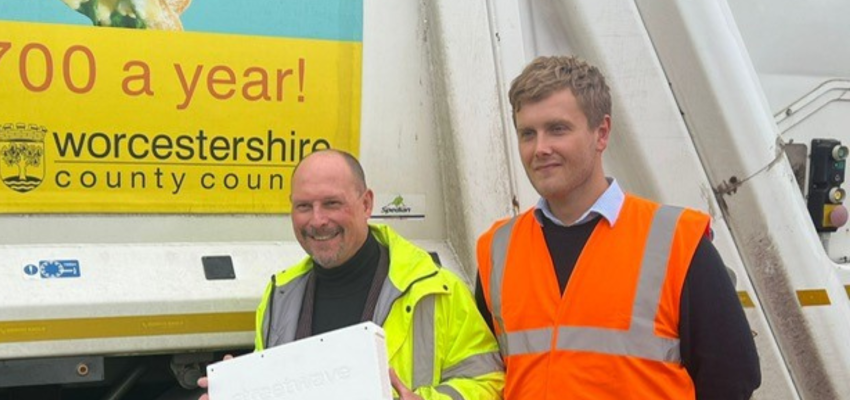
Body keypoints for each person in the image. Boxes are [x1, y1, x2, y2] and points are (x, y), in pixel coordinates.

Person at [475, 56, 760, 399]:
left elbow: (731, 377)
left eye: (558, 129)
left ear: (602, 133)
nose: (540, 148)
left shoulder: (677, 241)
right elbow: (486, 378)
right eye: (527, 134)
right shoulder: (497, 250)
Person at [199, 149, 504, 400]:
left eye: (332, 203)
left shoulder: (436, 291)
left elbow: (490, 383)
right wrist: (241, 387)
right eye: (304, 206)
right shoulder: (280, 295)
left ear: (366, 203)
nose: (317, 220)